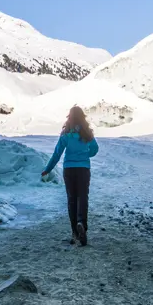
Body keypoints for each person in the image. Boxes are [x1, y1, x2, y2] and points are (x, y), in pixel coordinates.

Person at [41, 105, 99, 246]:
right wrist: (85, 154)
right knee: (83, 197)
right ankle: (81, 224)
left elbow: (57, 154)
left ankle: (75, 232)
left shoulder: (66, 133)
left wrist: (47, 169)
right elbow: (95, 149)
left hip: (69, 169)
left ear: (70, 117)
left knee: (72, 199)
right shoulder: (86, 133)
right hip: (83, 169)